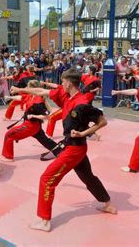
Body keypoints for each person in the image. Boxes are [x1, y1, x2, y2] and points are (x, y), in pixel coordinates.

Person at [11, 69, 116, 232]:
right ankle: (108, 204)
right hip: (74, 147)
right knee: (88, 177)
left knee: (46, 179)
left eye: (63, 81)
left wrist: (83, 133)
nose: (61, 84)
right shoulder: (66, 96)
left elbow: (102, 122)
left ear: (69, 83)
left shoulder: (82, 103)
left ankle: (44, 221)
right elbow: (41, 90)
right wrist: (20, 90)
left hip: (74, 148)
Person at [1, 80, 62, 162]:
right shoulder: (30, 96)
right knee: (45, 140)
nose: (26, 88)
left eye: (28, 87)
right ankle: (59, 151)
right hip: (34, 126)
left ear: (32, 88)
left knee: (9, 135)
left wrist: (33, 116)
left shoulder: (38, 101)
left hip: (31, 126)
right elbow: (20, 98)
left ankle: (8, 157)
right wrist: (10, 97)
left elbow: (47, 116)